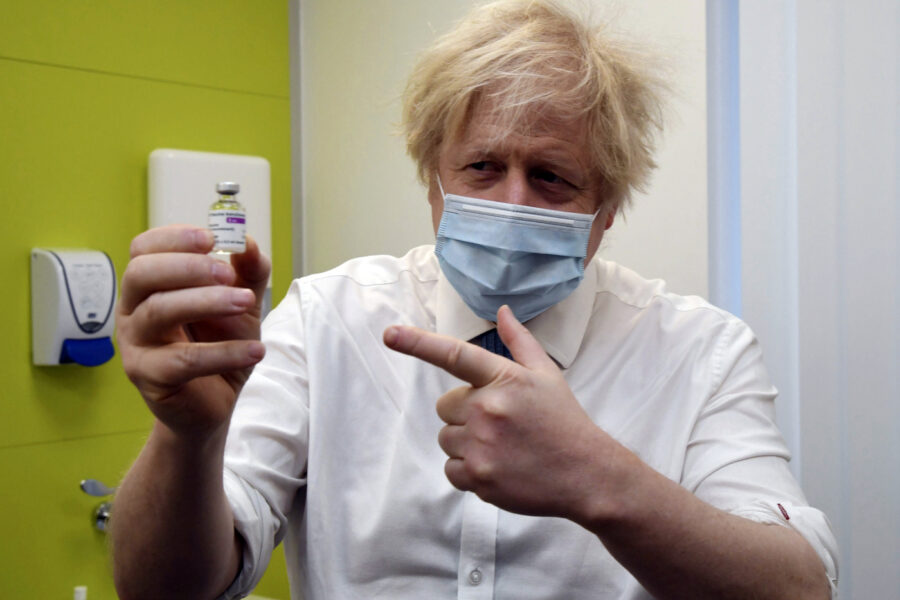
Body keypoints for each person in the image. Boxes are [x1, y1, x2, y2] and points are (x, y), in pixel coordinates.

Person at [110, 1, 839, 598]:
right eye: (483, 166)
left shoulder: (701, 354)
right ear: (433, 179)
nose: (513, 203)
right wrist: (188, 440)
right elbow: (166, 591)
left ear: (607, 207)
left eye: (552, 177)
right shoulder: (326, 320)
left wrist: (602, 482)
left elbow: (801, 584)